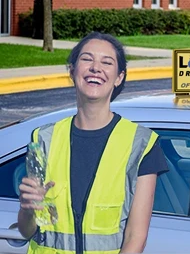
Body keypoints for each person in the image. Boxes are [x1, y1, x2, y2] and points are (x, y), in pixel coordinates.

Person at [18, 32, 169, 254]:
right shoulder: (44, 139)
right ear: (72, 71)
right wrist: (28, 208)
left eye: (107, 62)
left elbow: (136, 237)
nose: (95, 68)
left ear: (119, 77)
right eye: (87, 59)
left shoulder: (141, 144)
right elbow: (26, 230)